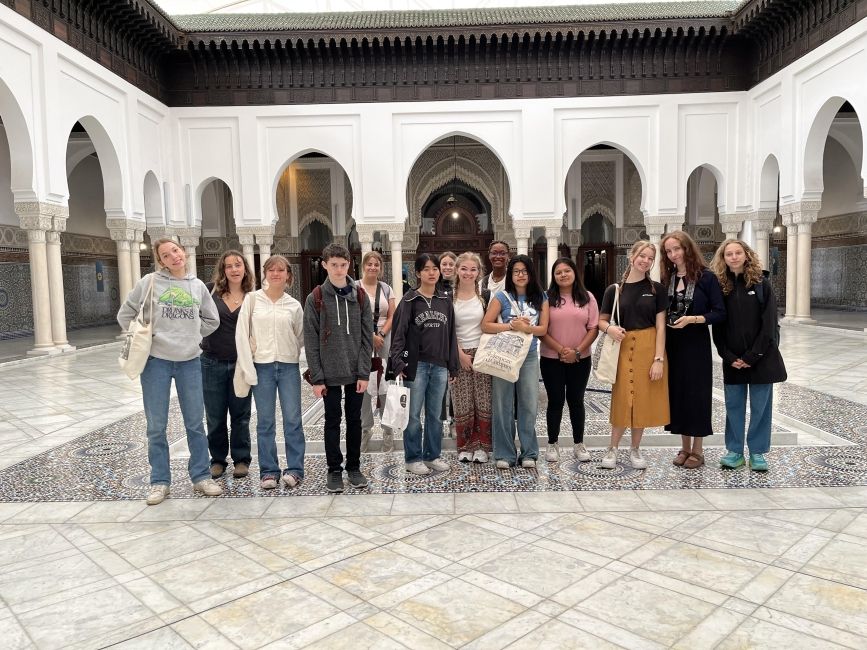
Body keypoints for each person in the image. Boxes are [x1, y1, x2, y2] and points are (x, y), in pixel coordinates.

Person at [117, 238, 221, 506]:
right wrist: (146, 337)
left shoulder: (197, 286)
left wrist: (192, 336)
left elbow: (212, 319)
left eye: (175, 250)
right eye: (166, 255)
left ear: (183, 252)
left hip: (190, 362)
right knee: (156, 426)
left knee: (195, 424)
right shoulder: (150, 282)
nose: (173, 256)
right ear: (160, 261)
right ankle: (159, 482)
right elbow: (125, 313)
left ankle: (201, 476)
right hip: (156, 362)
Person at [711, 239, 786, 472]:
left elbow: (769, 323)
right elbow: (718, 326)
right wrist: (728, 355)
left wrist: (752, 356)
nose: (733, 257)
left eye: (737, 253)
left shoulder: (761, 283)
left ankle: (757, 452)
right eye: (728, 254)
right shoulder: (721, 286)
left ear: (746, 255)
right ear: (723, 259)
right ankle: (734, 451)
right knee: (733, 406)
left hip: (761, 358)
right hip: (732, 360)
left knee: (761, 408)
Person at [304, 243, 373, 492]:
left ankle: (353, 467)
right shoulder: (316, 298)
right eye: (333, 265)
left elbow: (368, 337)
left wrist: (364, 372)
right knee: (332, 421)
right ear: (324, 265)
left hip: (355, 372)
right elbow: (310, 340)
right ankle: (334, 469)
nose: (339, 269)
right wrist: (317, 378)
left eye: (343, 265)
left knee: (355, 420)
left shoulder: (361, 296)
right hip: (328, 373)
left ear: (349, 265)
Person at [235, 255, 305, 490]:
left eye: (281, 270)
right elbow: (241, 336)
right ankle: (269, 471)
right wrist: (249, 368)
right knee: (265, 422)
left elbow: (300, 336)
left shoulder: (294, 305)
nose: (276, 274)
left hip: (288, 367)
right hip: (261, 367)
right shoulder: (253, 300)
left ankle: (294, 469)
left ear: (288, 274)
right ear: (265, 273)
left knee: (293, 420)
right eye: (271, 270)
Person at [598, 240, 669, 470]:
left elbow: (661, 327)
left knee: (643, 400)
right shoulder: (615, 289)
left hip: (648, 347)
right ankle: (613, 448)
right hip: (623, 346)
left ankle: (635, 449)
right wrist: (610, 329)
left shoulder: (657, 289)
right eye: (642, 256)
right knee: (622, 398)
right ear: (632, 256)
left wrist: (658, 359)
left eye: (650, 257)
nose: (646, 261)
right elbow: (601, 320)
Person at [390, 253, 460, 475]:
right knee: (412, 415)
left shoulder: (444, 301)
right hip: (417, 365)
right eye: (426, 269)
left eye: (435, 268)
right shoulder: (410, 301)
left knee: (435, 415)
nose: (432, 272)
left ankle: (432, 455)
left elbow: (451, 335)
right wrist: (398, 362)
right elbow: (398, 333)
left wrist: (453, 365)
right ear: (418, 273)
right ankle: (413, 458)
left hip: (439, 366)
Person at [661, 231, 726, 469]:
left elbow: (719, 313)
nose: (673, 254)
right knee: (678, 395)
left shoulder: (706, 277)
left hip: (696, 345)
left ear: (687, 248)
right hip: (673, 345)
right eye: (668, 251)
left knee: (696, 396)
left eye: (677, 249)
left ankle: (698, 450)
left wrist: (694, 319)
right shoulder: (667, 278)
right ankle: (684, 447)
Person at [482, 254, 549, 469]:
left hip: (528, 356)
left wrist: (525, 327)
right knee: (502, 405)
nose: (520, 275)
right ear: (511, 275)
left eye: (524, 271)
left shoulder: (541, 298)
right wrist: (511, 326)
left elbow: (543, 329)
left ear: (530, 273)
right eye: (516, 271)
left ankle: (529, 452)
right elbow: (486, 325)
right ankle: (504, 453)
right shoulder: (501, 297)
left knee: (529, 404)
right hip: (505, 355)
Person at [201, 250, 255, 480]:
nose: (234, 269)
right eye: (229, 266)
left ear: (245, 268)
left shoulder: (253, 296)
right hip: (212, 362)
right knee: (215, 415)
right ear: (223, 270)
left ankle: (241, 459)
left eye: (238, 264)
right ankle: (218, 459)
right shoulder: (210, 292)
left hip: (241, 364)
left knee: (241, 414)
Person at [540, 257, 599, 463]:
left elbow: (593, 328)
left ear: (575, 273)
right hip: (551, 359)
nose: (563, 275)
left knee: (576, 401)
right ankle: (552, 444)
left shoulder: (587, 297)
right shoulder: (546, 298)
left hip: (580, 359)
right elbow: (541, 330)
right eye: (558, 272)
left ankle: (578, 444)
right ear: (553, 277)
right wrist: (560, 350)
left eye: (567, 271)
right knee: (555, 401)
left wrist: (577, 351)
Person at [451, 252, 493, 463]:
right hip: (458, 354)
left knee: (483, 401)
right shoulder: (448, 297)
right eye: (464, 268)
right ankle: (465, 446)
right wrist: (460, 354)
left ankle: (483, 447)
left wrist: (481, 354)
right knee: (462, 402)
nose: (468, 273)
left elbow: (490, 325)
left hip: (482, 353)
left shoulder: (484, 296)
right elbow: (448, 330)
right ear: (457, 270)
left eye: (473, 269)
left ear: (479, 272)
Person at [356, 251, 397, 452]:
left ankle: (388, 430)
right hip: (361, 339)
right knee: (363, 383)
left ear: (380, 267)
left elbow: (392, 315)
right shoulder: (355, 287)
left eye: (376, 264)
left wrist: (380, 334)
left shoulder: (386, 288)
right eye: (369, 264)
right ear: (363, 266)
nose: (373, 267)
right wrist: (370, 335)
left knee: (385, 386)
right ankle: (366, 428)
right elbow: (352, 315)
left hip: (384, 339)